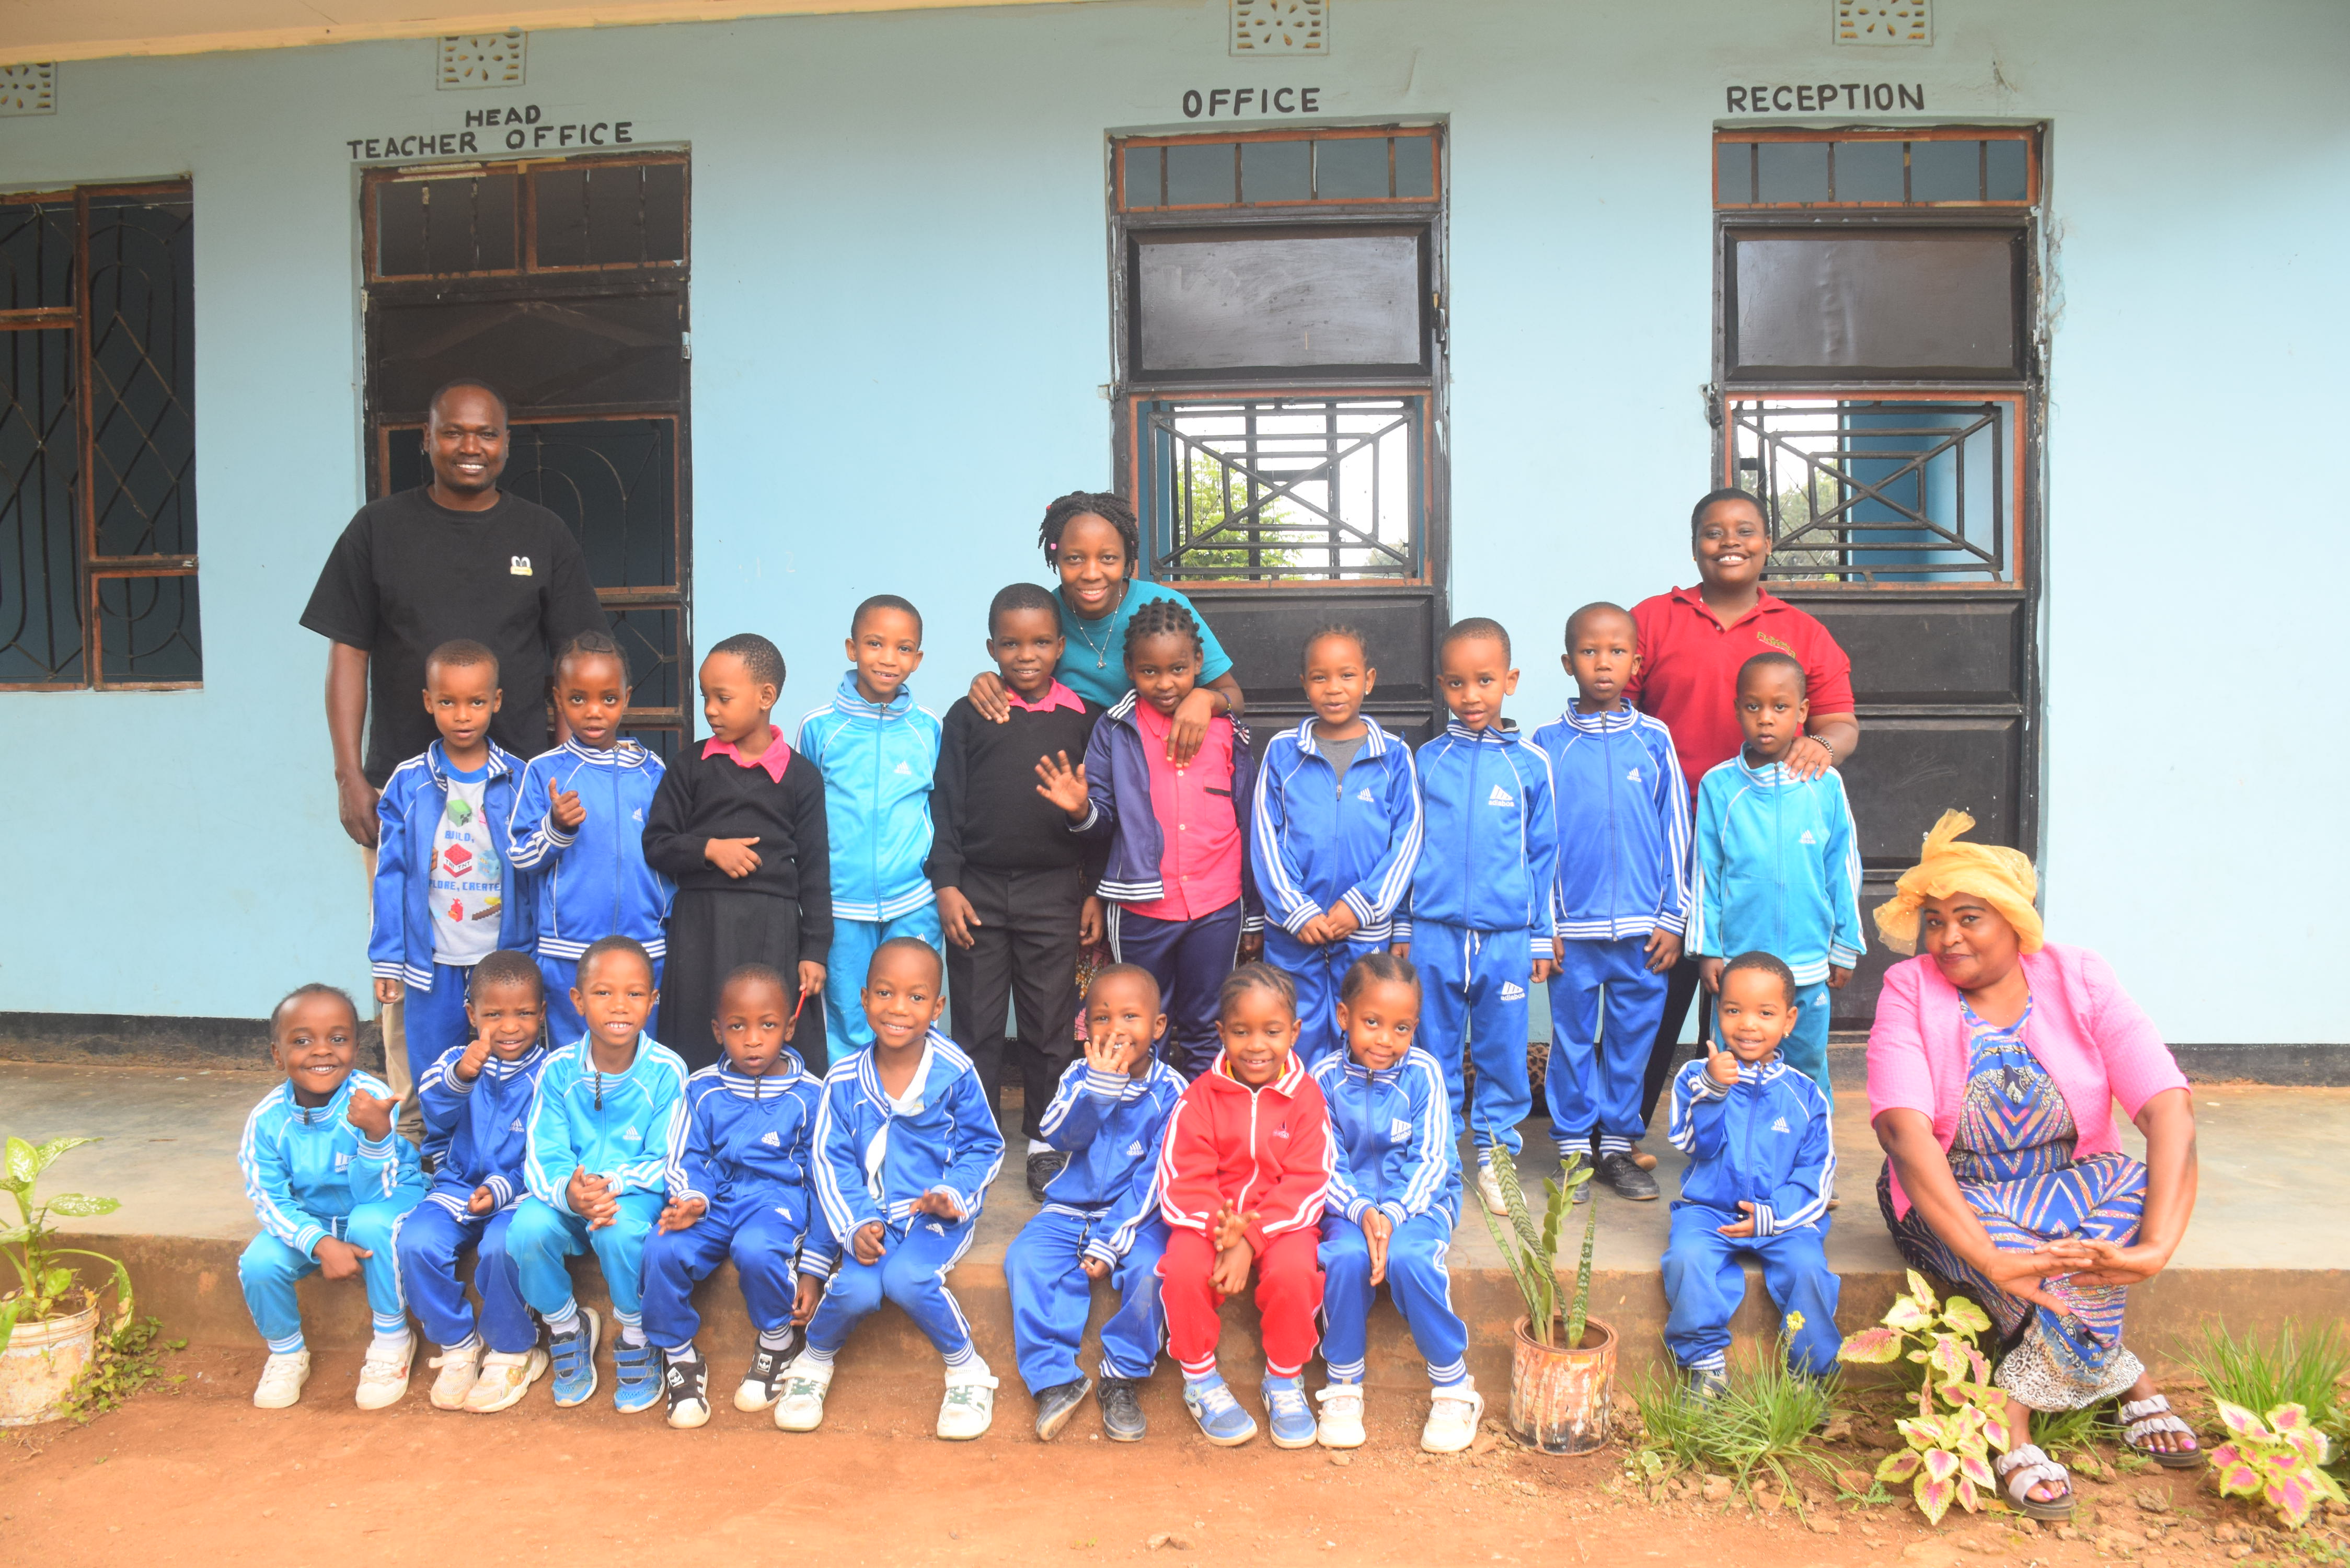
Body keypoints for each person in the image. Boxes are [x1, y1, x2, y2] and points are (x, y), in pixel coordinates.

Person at [1868, 811, 2199, 1521]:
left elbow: (2167, 1109)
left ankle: (2022, 1395)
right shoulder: (1909, 988)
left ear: (2015, 922)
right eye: (1933, 921)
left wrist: (2154, 1249)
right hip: (1959, 1195)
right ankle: (2058, 1403)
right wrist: (1989, 1256)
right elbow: (1904, 1130)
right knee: (2034, 1262)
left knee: (2133, 1187)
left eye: (1969, 917)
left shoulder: (2079, 976)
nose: (1946, 936)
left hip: (2068, 1185)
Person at [302, 378, 607, 1108]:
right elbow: (348, 656)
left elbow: (572, 660)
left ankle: (528, 1107)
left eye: (487, 434)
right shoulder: (377, 530)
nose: (471, 447)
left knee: (526, 948)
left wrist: (566, 774)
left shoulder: (542, 534)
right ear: (427, 439)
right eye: (454, 432)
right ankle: (421, 1114)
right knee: (415, 955)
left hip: (521, 795)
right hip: (407, 797)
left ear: (507, 442)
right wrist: (350, 775)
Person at [1625, 487, 1860, 1153]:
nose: (1729, 541)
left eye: (1745, 530)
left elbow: (1840, 722)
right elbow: (1617, 708)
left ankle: (1770, 1143)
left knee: (1742, 1008)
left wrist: (1823, 746)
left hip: (1764, 840)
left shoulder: (1802, 629)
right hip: (1664, 839)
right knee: (1654, 999)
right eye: (1712, 530)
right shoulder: (1653, 619)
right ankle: (1623, 1137)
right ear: (1693, 541)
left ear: (1767, 542)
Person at [780, 938, 1007, 1440]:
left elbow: (984, 1147)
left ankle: (967, 1369)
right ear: (864, 999)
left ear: (938, 1007)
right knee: (858, 1287)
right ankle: (814, 1363)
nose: (899, 1008)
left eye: (917, 997)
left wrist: (952, 1195)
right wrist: (858, 1221)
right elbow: (831, 1163)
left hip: (935, 1213)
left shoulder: (955, 1072)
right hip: (871, 1215)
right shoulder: (842, 1080)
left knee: (907, 1278)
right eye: (885, 993)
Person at [930, 583, 1108, 1200]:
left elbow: (1098, 814)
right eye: (1010, 643)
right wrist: (947, 884)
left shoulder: (1083, 719)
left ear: (1060, 647)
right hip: (975, 891)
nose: (1024, 654)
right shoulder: (968, 713)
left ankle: (1044, 1139)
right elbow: (945, 804)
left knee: (1049, 1025)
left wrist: (1091, 892)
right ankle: (975, 1142)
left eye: (1038, 642)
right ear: (991, 648)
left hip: (1053, 891)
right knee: (975, 1025)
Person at [1035, 599, 1262, 1079]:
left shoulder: (1226, 730)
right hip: (1141, 908)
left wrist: (1253, 912)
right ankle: (1147, 1130)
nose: (1165, 683)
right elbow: (1102, 824)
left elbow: (1248, 821)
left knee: (1205, 1024)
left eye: (1178, 669)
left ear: (1198, 665)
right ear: (1128, 669)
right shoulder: (1114, 730)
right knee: (1142, 1029)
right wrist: (1080, 809)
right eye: (1149, 671)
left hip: (1217, 903)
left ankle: (1198, 1131)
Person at [1396, 618, 1559, 1215]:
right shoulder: (1426, 762)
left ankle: (1496, 1157)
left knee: (1501, 1049)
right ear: (1442, 685)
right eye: (1458, 683)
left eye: (1485, 680)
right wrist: (1403, 928)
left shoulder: (1531, 766)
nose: (1471, 696)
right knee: (1432, 1046)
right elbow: (1407, 848)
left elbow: (1544, 858)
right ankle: (1435, 1155)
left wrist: (1541, 936)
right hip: (1435, 934)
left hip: (1507, 939)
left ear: (1509, 681)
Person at [1530, 603, 1689, 1203]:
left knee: (1631, 1042)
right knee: (1571, 1039)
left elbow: (1676, 829)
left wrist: (1673, 918)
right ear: (1568, 663)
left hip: (1644, 935)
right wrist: (1544, 927)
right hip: (1573, 933)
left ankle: (1617, 1149)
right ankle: (1573, 1149)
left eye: (1617, 651)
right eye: (1591, 652)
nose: (1604, 663)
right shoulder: (1546, 745)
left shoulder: (1652, 740)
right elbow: (1538, 844)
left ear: (1636, 663)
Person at [1156, 963, 1333, 1449]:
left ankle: (1284, 1378)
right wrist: (1222, 1232)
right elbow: (1183, 1177)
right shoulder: (1200, 1098)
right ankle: (1200, 1378)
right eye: (1241, 1032)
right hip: (1210, 1219)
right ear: (1221, 1033)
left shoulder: (1306, 1099)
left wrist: (1250, 1239)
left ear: (1294, 1032)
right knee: (1184, 1267)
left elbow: (1308, 1181)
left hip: (1279, 1221)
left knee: (1296, 1270)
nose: (1257, 1045)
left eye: (1272, 1032)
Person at [1006, 963, 1185, 1443]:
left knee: (1153, 1270)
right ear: (1085, 1027)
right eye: (1102, 1018)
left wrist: (1111, 1241)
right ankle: (1054, 1380)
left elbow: (1155, 1180)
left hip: (1136, 1218)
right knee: (1026, 1258)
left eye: (1131, 1017)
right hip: (1068, 1209)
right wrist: (1099, 1091)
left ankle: (1121, 1376)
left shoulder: (1173, 1093)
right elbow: (1061, 1135)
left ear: (1158, 1026)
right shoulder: (1077, 1076)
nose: (1117, 1029)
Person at [509, 936, 689, 1415]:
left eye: (634, 994)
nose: (619, 1005)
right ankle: (567, 1327)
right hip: (569, 1195)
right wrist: (570, 1191)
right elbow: (542, 1153)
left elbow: (667, 1156)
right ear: (578, 1001)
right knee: (527, 1229)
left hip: (631, 1194)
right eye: (604, 992)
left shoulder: (667, 1071)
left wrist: (610, 1186)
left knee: (618, 1229)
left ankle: (636, 1334)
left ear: (653, 1002)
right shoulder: (557, 1070)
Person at [1309, 953, 1481, 1454]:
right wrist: (1363, 1211)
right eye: (1372, 1023)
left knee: (1409, 1256)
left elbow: (1434, 1158)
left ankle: (1454, 1385)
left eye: (1401, 1027)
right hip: (1348, 1206)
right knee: (1342, 1257)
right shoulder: (1322, 1079)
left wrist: (1393, 1216)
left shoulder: (1424, 1073)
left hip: (1420, 1202)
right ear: (1344, 1018)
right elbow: (1325, 1162)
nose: (1386, 1039)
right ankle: (1342, 1384)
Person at [642, 963, 825, 1429]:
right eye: (737, 1027)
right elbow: (688, 1156)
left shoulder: (810, 1095)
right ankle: (679, 1356)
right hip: (715, 1199)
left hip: (775, 1200)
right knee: (662, 1246)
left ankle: (777, 1343)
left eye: (767, 1026)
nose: (752, 1040)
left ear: (789, 1027)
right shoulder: (701, 1088)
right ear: (717, 1030)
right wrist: (692, 1199)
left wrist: (815, 1266)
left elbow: (822, 1179)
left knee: (757, 1249)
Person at [642, 635, 831, 1073]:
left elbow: (816, 869)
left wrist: (815, 950)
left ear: (767, 697)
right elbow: (657, 841)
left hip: (774, 928)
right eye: (706, 697)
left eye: (722, 698)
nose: (710, 709)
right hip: (700, 926)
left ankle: (784, 1127)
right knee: (696, 1030)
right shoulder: (690, 766)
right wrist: (708, 849)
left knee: (770, 1032)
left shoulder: (801, 778)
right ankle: (694, 1122)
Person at [1661, 951, 1841, 1398]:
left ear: (1789, 1020)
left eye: (1766, 1013)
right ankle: (1706, 1369)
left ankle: (1809, 1377)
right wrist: (1715, 1090)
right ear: (1718, 1011)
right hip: (1709, 1211)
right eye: (1733, 1010)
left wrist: (1772, 1216)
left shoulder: (1806, 1096)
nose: (1747, 1025)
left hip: (1782, 1220)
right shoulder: (1695, 1077)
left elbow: (1817, 1176)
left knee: (1807, 1269)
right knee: (1687, 1258)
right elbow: (1690, 1145)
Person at [236, 984, 424, 1411]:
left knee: (369, 1221)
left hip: (385, 1198)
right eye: (302, 1041)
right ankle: (286, 1353)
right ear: (276, 1054)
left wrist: (377, 1135)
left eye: (337, 1039)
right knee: (259, 1262)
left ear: (356, 1048)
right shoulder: (267, 1121)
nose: (322, 1052)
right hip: (318, 1220)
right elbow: (269, 1199)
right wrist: (320, 1243)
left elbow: (377, 1193)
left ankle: (392, 1340)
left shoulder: (372, 1102)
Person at [1687, 652, 1863, 1101]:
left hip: (1807, 962)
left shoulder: (1825, 784)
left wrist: (1844, 944)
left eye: (1780, 707)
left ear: (1803, 712)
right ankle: (1729, 1149)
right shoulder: (1720, 786)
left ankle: (1809, 1150)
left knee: (1807, 1064)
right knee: (1732, 1067)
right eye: (1753, 707)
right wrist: (1708, 948)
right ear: (1737, 710)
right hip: (1742, 966)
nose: (1766, 719)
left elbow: (1843, 867)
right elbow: (1707, 872)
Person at [367, 639, 536, 1102]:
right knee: (434, 1065)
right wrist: (387, 957)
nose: (463, 715)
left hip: (501, 959)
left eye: (476, 702)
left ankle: (499, 1153)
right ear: (429, 702)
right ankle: (441, 1157)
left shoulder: (522, 779)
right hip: (433, 962)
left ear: (496, 702)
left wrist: (533, 950)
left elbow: (536, 872)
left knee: (505, 1064)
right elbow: (391, 875)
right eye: (448, 702)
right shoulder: (409, 782)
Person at [965, 491, 1246, 765]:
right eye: (1074, 558)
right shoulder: (1043, 614)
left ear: (1127, 558)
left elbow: (1233, 697)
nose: (1091, 573)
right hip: (1071, 770)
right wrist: (987, 681)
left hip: (1153, 766)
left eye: (1108, 558)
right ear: (1056, 558)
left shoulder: (1167, 607)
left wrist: (1204, 700)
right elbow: (1015, 686)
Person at [1251, 625, 1423, 1069]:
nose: (1334, 689)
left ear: (1368, 680)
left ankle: (1356, 1125)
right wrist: (1297, 910)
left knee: (1366, 1029)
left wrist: (1363, 906)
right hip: (1295, 930)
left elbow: (1407, 841)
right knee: (1296, 1027)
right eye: (1320, 677)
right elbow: (1265, 836)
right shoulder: (1283, 751)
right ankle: (1302, 1123)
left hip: (1362, 928)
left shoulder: (1395, 756)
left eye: (1346, 676)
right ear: (1305, 683)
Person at [393, 950, 555, 1413]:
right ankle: (458, 1346)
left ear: (542, 1013)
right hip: (457, 1186)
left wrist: (503, 1189)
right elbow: (436, 1114)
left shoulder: (551, 1074)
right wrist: (465, 1073)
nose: (509, 1027)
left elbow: (551, 1152)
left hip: (519, 1194)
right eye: (494, 1015)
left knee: (502, 1248)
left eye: (524, 1013)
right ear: (472, 1014)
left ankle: (513, 1350)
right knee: (416, 1242)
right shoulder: (453, 1062)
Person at [799, 594, 946, 1069]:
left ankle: (913, 1110)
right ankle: (852, 1112)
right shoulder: (820, 729)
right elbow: (801, 816)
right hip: (841, 902)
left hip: (914, 901)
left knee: (912, 1009)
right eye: (875, 644)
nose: (889, 658)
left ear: (918, 659)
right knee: (848, 1014)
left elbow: (940, 811)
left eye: (904, 649)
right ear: (851, 648)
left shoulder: (929, 729)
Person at [506, 630, 673, 1047]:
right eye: (578, 699)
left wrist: (666, 920)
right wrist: (557, 828)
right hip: (569, 949)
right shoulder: (547, 771)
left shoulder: (652, 771)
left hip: (644, 945)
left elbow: (670, 852)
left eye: (608, 699)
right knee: (571, 1056)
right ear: (558, 700)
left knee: (639, 1050)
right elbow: (521, 857)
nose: (594, 712)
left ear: (627, 698)